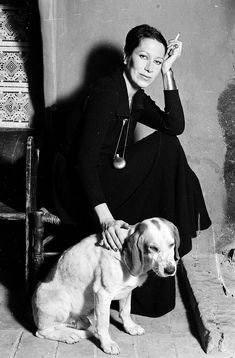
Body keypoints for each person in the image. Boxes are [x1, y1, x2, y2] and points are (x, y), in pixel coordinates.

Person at [51, 24, 211, 317]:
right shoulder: (106, 92)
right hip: (78, 190)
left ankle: (154, 271)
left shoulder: (134, 94)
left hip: (106, 177)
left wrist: (168, 73)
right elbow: (82, 162)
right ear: (126, 56)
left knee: (168, 147)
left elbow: (174, 126)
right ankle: (178, 241)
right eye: (143, 57)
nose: (149, 68)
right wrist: (107, 220)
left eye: (157, 61)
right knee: (167, 150)